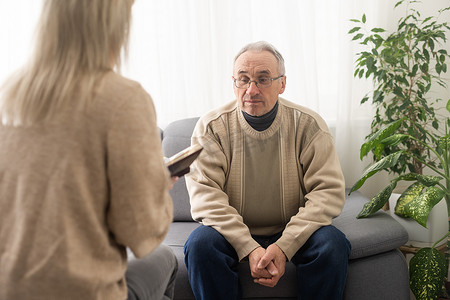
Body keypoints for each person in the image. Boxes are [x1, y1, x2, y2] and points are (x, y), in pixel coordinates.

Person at [0, 1, 177, 299]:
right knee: (166, 259)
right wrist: (159, 186)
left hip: (10, 289)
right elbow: (141, 234)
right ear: (113, 27)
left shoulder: (11, 93)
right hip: (82, 292)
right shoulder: (122, 98)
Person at [184, 41, 351, 300]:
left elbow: (327, 194)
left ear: (282, 83)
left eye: (263, 79)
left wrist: (284, 247)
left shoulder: (309, 125)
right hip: (231, 232)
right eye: (243, 80)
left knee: (333, 244)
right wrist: (249, 247)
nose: (251, 90)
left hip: (293, 228)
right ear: (234, 83)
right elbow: (206, 199)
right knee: (199, 245)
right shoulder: (211, 128)